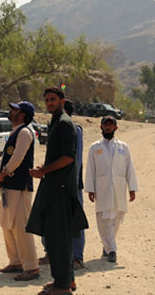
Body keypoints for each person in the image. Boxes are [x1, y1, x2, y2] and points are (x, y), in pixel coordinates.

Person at [26, 87, 88, 295]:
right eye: (47, 100)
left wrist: (43, 171)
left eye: (53, 99)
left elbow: (68, 157)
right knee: (55, 237)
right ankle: (66, 280)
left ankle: (62, 287)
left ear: (62, 101)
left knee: (59, 238)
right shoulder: (55, 122)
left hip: (60, 189)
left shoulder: (64, 123)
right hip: (53, 186)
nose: (49, 103)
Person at [0, 101, 39, 281]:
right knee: (7, 225)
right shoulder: (15, 132)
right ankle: (16, 261)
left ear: (22, 115)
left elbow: (18, 158)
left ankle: (32, 267)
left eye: (14, 110)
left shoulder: (25, 132)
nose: (10, 112)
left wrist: (4, 174)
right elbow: (6, 157)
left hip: (20, 187)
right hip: (9, 187)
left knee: (21, 227)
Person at [84, 115, 138, 263]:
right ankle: (112, 250)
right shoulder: (94, 148)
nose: (107, 127)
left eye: (110, 125)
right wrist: (90, 188)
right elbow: (90, 169)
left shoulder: (123, 147)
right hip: (102, 188)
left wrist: (132, 188)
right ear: (101, 127)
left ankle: (107, 245)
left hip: (119, 188)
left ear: (115, 127)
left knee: (116, 219)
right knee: (104, 219)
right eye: (105, 125)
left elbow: (129, 168)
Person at [65, 100, 86, 269]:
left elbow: (76, 159)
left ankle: (77, 256)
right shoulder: (55, 127)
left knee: (75, 220)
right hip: (57, 184)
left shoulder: (75, 129)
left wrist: (72, 183)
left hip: (72, 184)